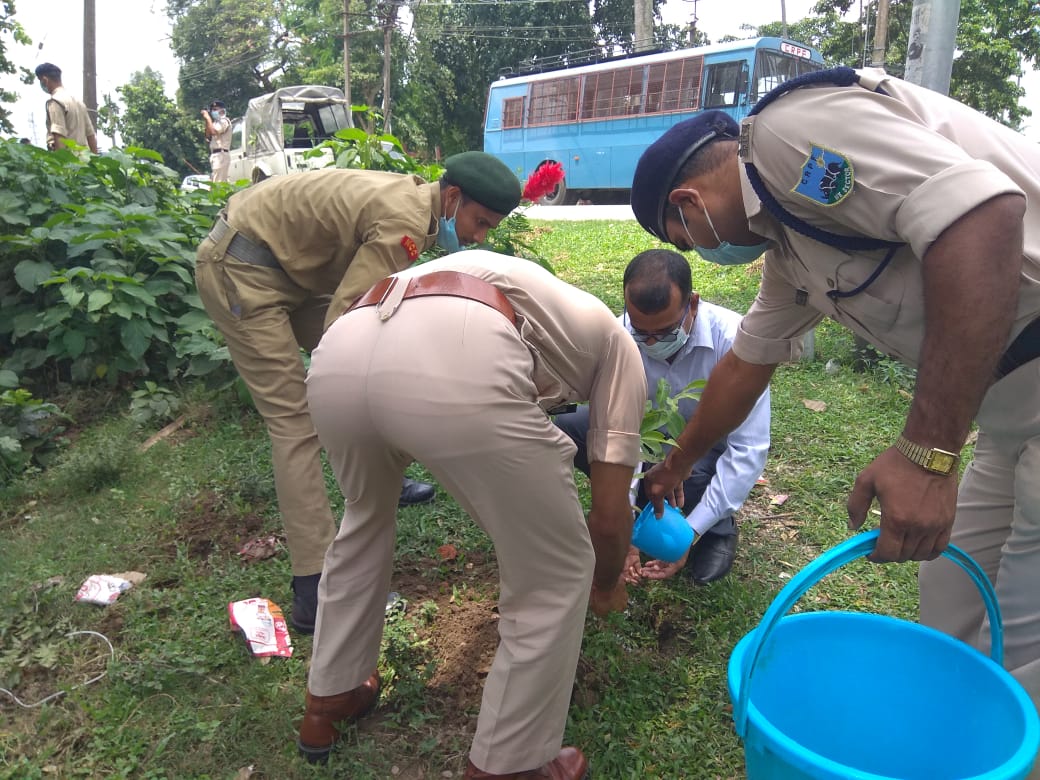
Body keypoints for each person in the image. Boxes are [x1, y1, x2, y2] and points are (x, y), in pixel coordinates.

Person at [630, 65, 1040, 767]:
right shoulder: (792, 249)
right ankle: (946, 744)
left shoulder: (788, 138)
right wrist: (675, 464)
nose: (707, 256)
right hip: (1008, 420)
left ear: (688, 203)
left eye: (688, 241)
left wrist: (928, 452)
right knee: (951, 590)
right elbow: (743, 369)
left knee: (1028, 643)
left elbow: (983, 216)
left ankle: (1000, 756)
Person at [298, 250, 646, 780]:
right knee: (555, 570)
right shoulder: (621, 351)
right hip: (457, 352)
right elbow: (608, 511)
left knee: (364, 518)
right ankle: (512, 763)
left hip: (343, 348)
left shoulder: (549, 299)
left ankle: (330, 698)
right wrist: (605, 582)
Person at [194, 153, 523, 634]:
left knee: (386, 361)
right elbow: (345, 323)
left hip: (286, 269)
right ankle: (316, 586)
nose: (479, 237)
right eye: (479, 222)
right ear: (453, 197)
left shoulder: (424, 206)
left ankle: (383, 475)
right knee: (294, 424)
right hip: (241, 270)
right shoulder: (407, 219)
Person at [555, 249, 769, 584]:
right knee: (572, 429)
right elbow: (618, 432)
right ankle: (647, 513)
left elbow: (747, 451)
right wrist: (623, 526)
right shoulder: (618, 335)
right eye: (642, 333)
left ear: (693, 304)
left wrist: (690, 535)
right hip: (644, 438)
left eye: (666, 332)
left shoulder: (736, 343)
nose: (652, 343)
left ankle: (715, 531)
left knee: (694, 477)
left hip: (705, 450)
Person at [34, 62, 98, 153]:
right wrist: (95, 162)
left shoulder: (55, 102)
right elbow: (91, 135)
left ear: (45, 80)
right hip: (85, 159)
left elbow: (59, 134)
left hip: (69, 160)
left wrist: (62, 163)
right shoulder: (79, 102)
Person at [201, 99, 232, 183]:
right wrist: (207, 120)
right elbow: (208, 135)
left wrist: (207, 117)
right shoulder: (214, 123)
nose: (213, 112)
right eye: (212, 110)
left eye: (216, 109)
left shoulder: (224, 121)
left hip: (221, 155)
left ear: (222, 110)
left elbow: (214, 132)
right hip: (215, 155)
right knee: (217, 181)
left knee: (218, 183)